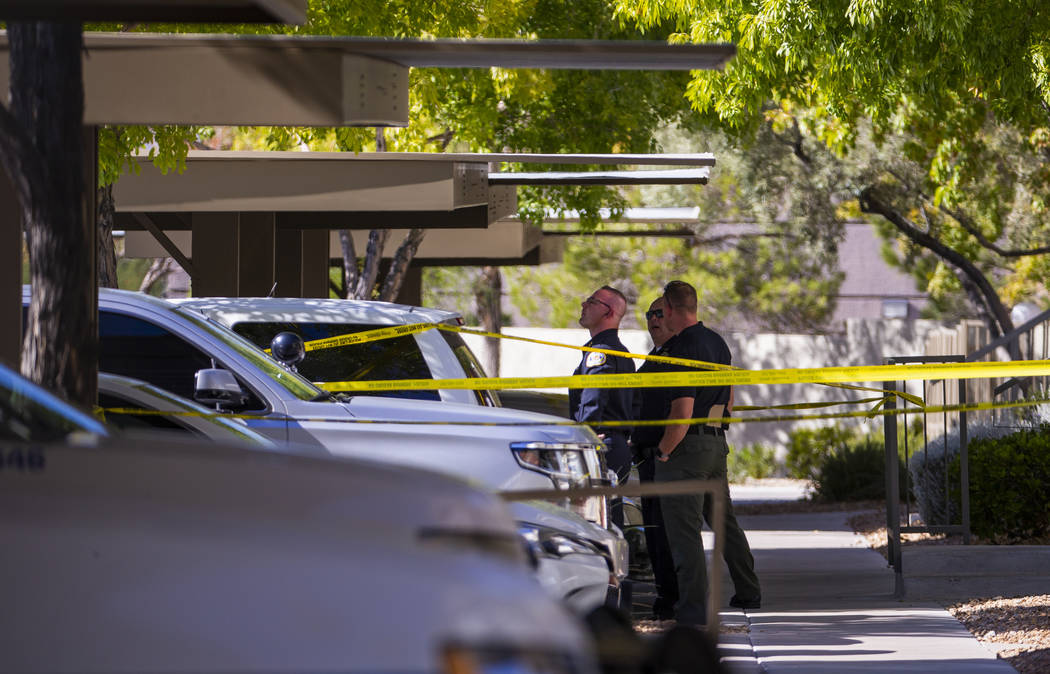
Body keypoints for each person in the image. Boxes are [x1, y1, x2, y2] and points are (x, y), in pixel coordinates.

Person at [654, 280, 761, 626]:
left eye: (661, 311)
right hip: (716, 442)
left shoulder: (681, 347)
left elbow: (682, 410)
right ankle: (749, 590)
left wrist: (665, 450)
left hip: (687, 448)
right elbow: (729, 400)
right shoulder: (717, 342)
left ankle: (692, 610)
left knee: (684, 532)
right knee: (723, 520)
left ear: (670, 308)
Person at [569, 285, 635, 527]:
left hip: (601, 446)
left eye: (592, 301)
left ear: (608, 313)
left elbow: (593, 398)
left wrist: (582, 435)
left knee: (598, 521)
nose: (584, 305)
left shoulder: (602, 353)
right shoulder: (619, 353)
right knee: (608, 517)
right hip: (612, 444)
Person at [631, 297, 679, 620]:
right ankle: (664, 596)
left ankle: (673, 600)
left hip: (667, 459)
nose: (653, 320)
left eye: (659, 314)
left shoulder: (679, 356)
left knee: (668, 534)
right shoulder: (654, 357)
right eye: (649, 315)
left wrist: (664, 449)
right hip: (646, 458)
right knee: (654, 532)